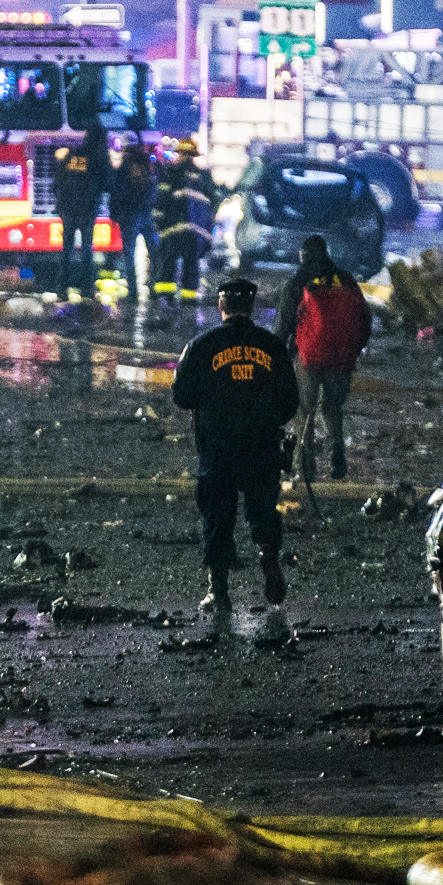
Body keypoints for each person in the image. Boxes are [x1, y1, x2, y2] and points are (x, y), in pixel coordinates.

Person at [173, 279, 300, 611]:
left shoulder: (201, 346)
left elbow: (182, 397)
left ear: (221, 306)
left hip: (217, 447)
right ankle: (268, 557)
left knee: (217, 516)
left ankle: (219, 590)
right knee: (262, 511)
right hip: (261, 446)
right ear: (252, 306)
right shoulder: (271, 346)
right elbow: (290, 403)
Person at [275, 236, 371, 482]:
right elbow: (364, 318)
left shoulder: (297, 284)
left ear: (303, 256)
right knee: (333, 407)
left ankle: (306, 468)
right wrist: (353, 349)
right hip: (340, 358)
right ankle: (337, 457)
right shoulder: (346, 280)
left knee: (304, 411)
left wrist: (279, 357)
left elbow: (283, 326)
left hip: (307, 358)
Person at [151, 138, 213, 305]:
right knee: (191, 266)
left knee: (168, 262)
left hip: (173, 229)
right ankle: (189, 300)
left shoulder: (171, 173)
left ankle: (166, 298)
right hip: (196, 233)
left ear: (180, 154)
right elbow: (210, 204)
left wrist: (157, 221)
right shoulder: (203, 176)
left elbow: (161, 199)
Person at [52, 122, 109, 298]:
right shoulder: (98, 158)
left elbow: (56, 183)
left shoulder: (70, 155)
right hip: (87, 209)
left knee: (67, 249)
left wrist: (62, 202)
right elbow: (106, 184)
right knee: (86, 249)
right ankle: (87, 289)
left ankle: (62, 289)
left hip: (68, 209)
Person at [109, 140, 157, 301]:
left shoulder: (124, 166)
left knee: (129, 253)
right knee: (154, 251)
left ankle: (133, 292)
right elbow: (154, 188)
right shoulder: (148, 164)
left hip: (129, 214)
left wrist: (114, 214)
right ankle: (154, 288)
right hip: (147, 213)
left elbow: (116, 191)